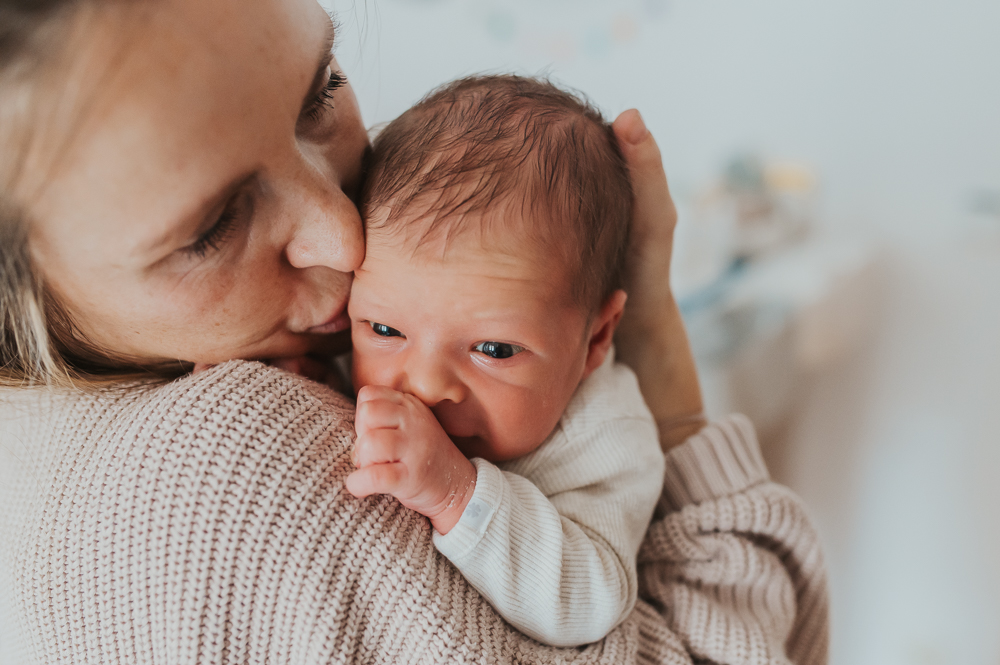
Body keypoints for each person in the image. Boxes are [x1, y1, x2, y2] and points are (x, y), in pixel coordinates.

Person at [0, 1, 830, 663]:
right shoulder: (241, 460)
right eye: (214, 226)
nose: (347, 239)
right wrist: (664, 365)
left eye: (322, 88)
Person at [347, 74, 664, 647]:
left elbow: (588, 602)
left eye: (493, 350)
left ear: (596, 340)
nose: (424, 383)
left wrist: (455, 493)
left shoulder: (605, 439)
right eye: (386, 329)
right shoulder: (353, 353)